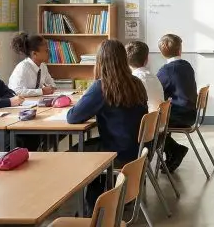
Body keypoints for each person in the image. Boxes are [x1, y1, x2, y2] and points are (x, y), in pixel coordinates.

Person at [67, 39, 149, 215]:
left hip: (116, 151)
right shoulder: (136, 82)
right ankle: (98, 199)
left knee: (71, 154)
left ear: (100, 61)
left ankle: (91, 208)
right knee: (90, 150)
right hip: (136, 149)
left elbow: (73, 117)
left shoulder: (102, 86)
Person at [156, 34, 196, 172]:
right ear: (180, 50)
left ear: (161, 52)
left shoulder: (166, 70)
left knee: (150, 125)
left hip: (179, 116)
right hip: (190, 114)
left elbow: (157, 91)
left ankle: (176, 150)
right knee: (162, 118)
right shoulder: (187, 66)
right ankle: (172, 154)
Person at [8, 32, 56, 97]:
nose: (49, 53)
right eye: (46, 50)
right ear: (34, 54)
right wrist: (41, 91)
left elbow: (51, 84)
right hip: (21, 104)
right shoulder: (22, 68)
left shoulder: (43, 66)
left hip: (35, 102)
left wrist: (51, 88)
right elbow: (15, 91)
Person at [126, 40, 164, 112]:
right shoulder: (154, 77)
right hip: (157, 120)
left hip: (145, 121)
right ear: (147, 59)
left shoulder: (133, 81)